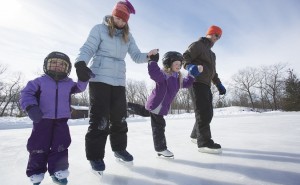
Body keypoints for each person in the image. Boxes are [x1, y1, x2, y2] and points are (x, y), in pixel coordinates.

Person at [74, 0, 158, 175]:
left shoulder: (128, 36)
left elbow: (136, 56)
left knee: (119, 118)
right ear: (113, 15)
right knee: (100, 120)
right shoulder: (99, 29)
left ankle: (119, 149)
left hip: (119, 81)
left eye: (123, 19)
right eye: (118, 17)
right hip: (99, 79)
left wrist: (148, 56)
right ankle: (95, 156)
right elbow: (88, 48)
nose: (120, 21)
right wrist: (80, 62)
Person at [20, 51, 90, 185]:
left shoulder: (68, 83)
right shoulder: (39, 82)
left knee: (61, 145)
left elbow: (80, 87)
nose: (57, 66)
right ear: (46, 65)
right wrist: (31, 107)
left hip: (61, 121)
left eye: (62, 64)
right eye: (53, 63)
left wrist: (83, 78)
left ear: (67, 68)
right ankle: (36, 172)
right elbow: (26, 93)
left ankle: (59, 171)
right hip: (42, 120)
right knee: (38, 146)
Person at [145, 51, 203, 157]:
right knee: (159, 126)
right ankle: (161, 148)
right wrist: (152, 62)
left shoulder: (177, 78)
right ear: (168, 63)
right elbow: (154, 74)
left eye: (180, 64)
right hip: (157, 104)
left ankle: (128, 106)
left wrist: (193, 74)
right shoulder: (164, 75)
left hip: (161, 106)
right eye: (176, 63)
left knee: (146, 114)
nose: (179, 66)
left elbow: (187, 83)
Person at [183, 25, 227, 154]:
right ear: (210, 33)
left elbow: (213, 72)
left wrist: (219, 84)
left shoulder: (212, 54)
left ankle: (195, 135)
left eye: (219, 37)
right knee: (202, 113)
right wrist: (189, 66)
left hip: (206, 84)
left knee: (208, 113)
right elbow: (185, 57)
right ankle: (204, 143)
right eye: (216, 35)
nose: (217, 39)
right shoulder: (198, 45)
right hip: (195, 82)